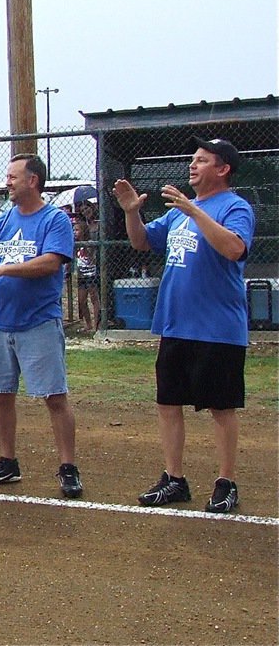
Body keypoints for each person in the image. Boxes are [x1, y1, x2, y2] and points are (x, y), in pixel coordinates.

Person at [114, 138, 255, 513]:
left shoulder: (234, 207)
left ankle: (226, 482)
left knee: (221, 407)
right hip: (176, 324)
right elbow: (143, 241)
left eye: (202, 160)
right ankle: (174, 478)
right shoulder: (179, 212)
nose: (192, 166)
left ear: (222, 169)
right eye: (192, 160)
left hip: (217, 326)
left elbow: (234, 248)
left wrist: (196, 212)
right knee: (168, 402)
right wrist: (131, 212)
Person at [0, 153, 83, 498]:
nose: (8, 182)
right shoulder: (1, 221)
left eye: (14, 177)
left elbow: (50, 263)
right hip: (1, 321)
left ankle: (68, 467)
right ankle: (7, 462)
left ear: (33, 181)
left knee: (54, 396)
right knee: (1, 395)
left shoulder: (54, 220)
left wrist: (1, 269)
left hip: (38, 322)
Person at [72, 215, 100, 332]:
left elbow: (91, 256)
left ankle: (96, 324)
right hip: (81, 275)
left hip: (91, 274)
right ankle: (87, 324)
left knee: (94, 298)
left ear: (83, 231)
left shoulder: (89, 243)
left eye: (77, 230)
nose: (75, 232)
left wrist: (87, 247)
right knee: (82, 301)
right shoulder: (75, 245)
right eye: (74, 230)